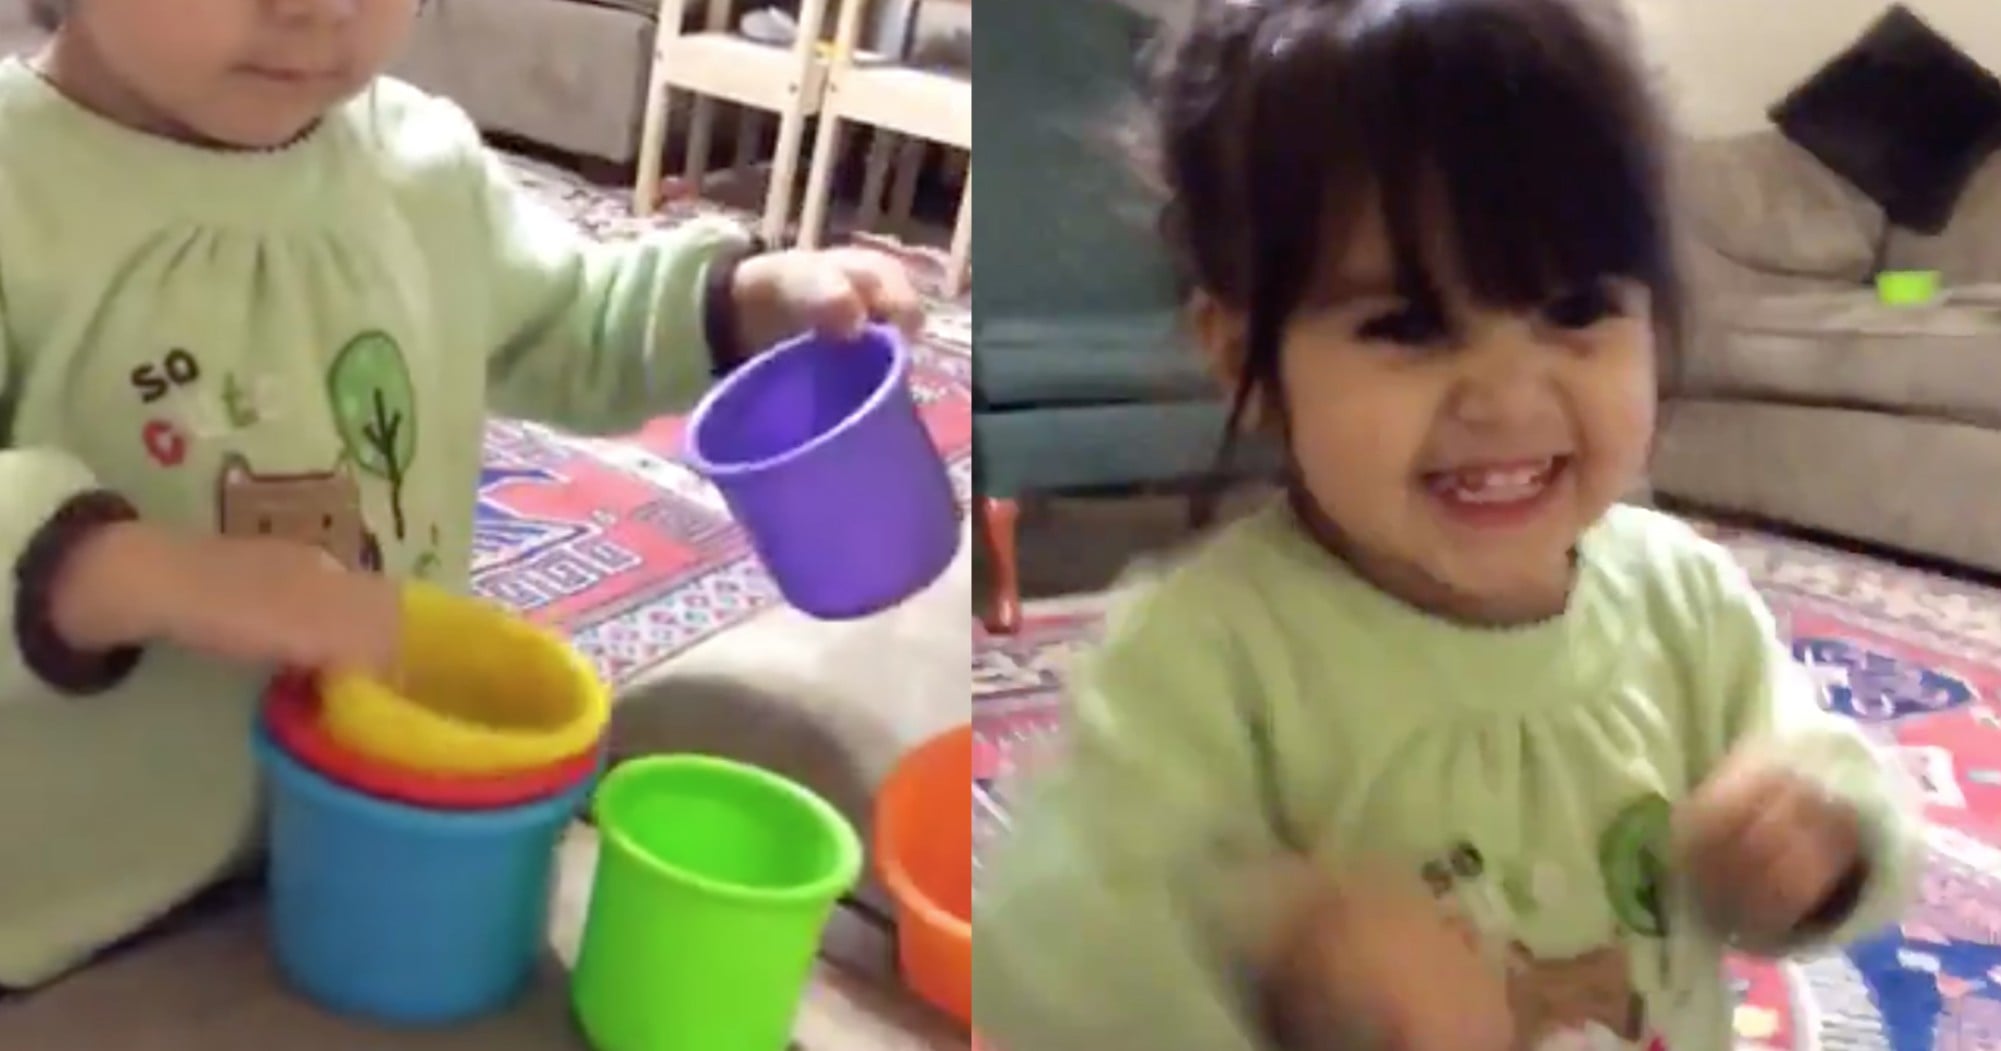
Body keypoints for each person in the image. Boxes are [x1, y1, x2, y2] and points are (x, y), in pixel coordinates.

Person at [972, 1, 1923, 1049]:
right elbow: (1053, 953)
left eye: (1575, 309)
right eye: (1411, 324)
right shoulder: (1202, 659)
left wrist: (1817, 834)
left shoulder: (1686, 599)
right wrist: (1278, 941)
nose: (1509, 397)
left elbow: (1822, 764)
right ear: (1245, 354)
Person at [0, 0, 922, 989]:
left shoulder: (420, 165)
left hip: (386, 841)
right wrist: (121, 572)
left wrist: (741, 306)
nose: (320, 10)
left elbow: (572, 322)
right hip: (79, 904)